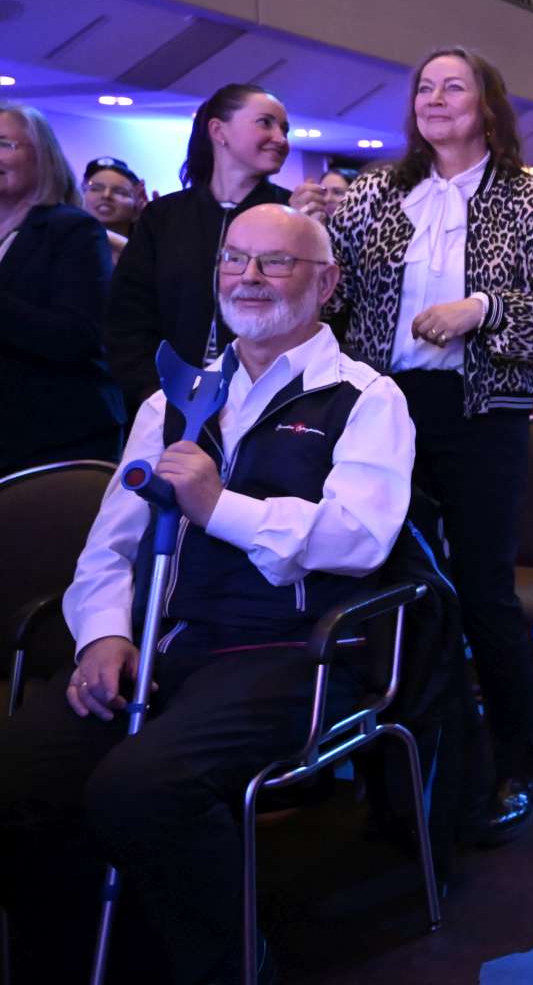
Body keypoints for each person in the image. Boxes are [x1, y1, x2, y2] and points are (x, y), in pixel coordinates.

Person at [0, 202, 413, 984]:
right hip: (159, 645)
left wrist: (218, 506)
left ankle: (233, 966)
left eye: (275, 261)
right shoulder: (173, 401)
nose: (248, 277)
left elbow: (359, 540)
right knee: (18, 777)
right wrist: (103, 634)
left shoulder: (365, 399)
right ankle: (86, 955)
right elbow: (110, 544)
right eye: (234, 259)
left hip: (290, 654)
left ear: (326, 283)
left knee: (139, 790)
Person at [327, 46, 533, 847]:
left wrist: (482, 309)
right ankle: (400, 767)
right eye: (424, 88)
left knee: (483, 592)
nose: (435, 99)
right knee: (387, 587)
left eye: (454, 87)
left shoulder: (529, 201)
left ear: (488, 106)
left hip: (482, 411)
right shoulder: (374, 194)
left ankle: (517, 764)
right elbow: (331, 295)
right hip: (383, 409)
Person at [107, 83, 322, 415]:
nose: (280, 138)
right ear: (219, 131)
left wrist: (304, 233)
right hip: (162, 400)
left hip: (264, 400)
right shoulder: (165, 216)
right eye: (265, 123)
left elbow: (313, 314)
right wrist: (152, 394)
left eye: (285, 129)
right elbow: (128, 315)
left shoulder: (288, 217)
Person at [0, 106, 123, 474]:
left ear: (43, 156)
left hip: (53, 438)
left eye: (4, 144)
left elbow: (78, 335)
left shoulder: (73, 230)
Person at [81, 155, 144, 263]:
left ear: (137, 209)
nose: (106, 195)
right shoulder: (62, 248)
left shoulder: (149, 255)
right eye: (96, 188)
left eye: (120, 191)